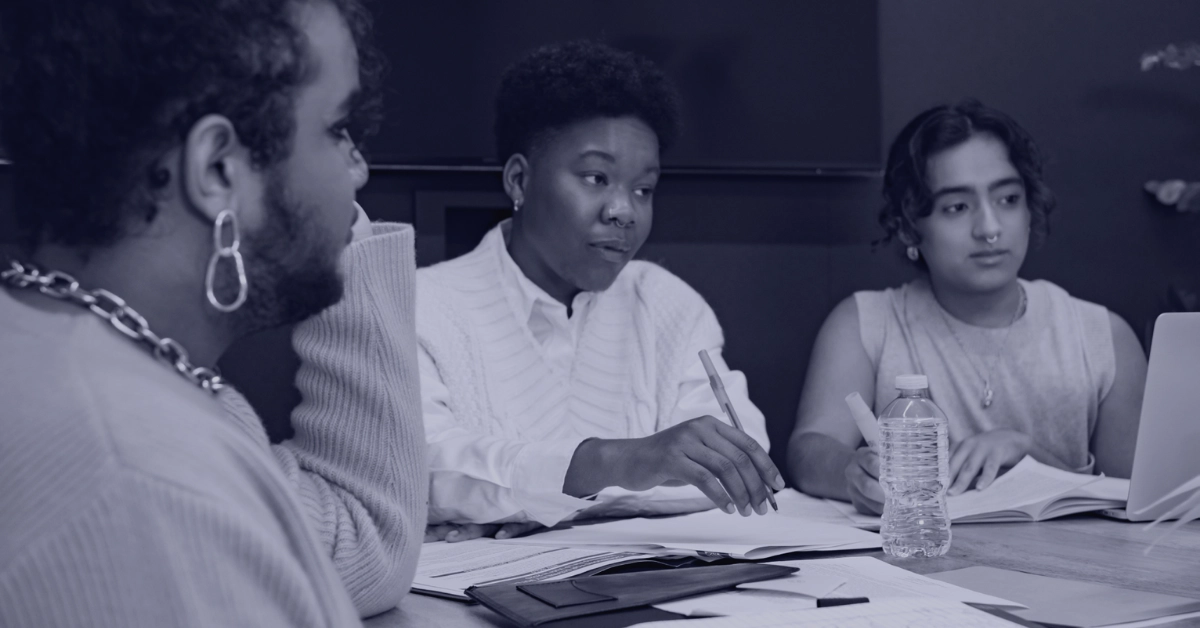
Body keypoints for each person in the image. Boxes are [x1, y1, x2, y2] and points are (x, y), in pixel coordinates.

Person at [0, 0, 399, 624]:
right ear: (217, 168)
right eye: (336, 128)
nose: (358, 169)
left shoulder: (79, 364)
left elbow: (359, 543)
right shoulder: (140, 478)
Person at [412, 40, 783, 542]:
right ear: (519, 180)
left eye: (643, 189)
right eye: (596, 178)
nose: (624, 210)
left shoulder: (668, 305)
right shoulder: (424, 306)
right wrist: (620, 461)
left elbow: (741, 464)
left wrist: (521, 507)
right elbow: (420, 469)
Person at [787, 99, 1148, 515]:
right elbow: (809, 450)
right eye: (957, 207)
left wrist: (1029, 459)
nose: (990, 229)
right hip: (919, 565)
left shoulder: (1102, 335)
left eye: (1009, 199)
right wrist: (854, 472)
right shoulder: (865, 323)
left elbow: (1139, 503)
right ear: (909, 225)